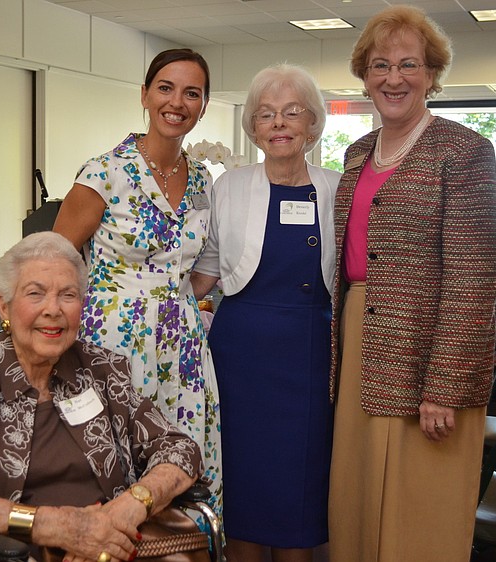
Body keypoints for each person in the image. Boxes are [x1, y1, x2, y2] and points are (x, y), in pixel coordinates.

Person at [0, 232, 203, 562]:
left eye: (68, 295)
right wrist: (54, 527)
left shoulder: (102, 370)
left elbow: (180, 449)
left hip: (112, 544)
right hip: (11, 552)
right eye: (35, 293)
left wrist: (130, 506)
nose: (53, 309)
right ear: (4, 305)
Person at [326, 6, 496, 562]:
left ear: (431, 74)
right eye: (380, 65)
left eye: (408, 65)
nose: (393, 79)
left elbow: (472, 279)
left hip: (429, 352)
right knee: (356, 497)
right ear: (364, 74)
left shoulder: (464, 151)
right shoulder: (356, 154)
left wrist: (444, 386)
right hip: (361, 341)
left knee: (418, 510)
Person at [53, 48, 222, 516]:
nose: (177, 102)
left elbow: (199, 269)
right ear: (145, 95)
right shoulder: (104, 173)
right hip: (115, 340)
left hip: (183, 341)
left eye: (192, 93)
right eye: (166, 88)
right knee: (117, 465)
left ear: (204, 105)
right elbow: (53, 263)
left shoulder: (203, 179)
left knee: (184, 463)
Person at [190, 64, 340, 562]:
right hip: (241, 355)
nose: (279, 123)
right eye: (266, 114)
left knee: (300, 473)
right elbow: (206, 266)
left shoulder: (338, 189)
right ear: (253, 128)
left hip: (309, 353)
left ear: (313, 125)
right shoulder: (228, 187)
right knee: (245, 472)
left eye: (292, 113)